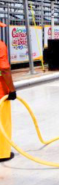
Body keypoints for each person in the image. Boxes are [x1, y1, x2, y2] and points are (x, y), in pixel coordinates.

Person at [0, 21, 17, 162]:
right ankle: (2, 153)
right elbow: (4, 69)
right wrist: (12, 90)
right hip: (0, 92)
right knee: (2, 122)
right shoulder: (0, 45)